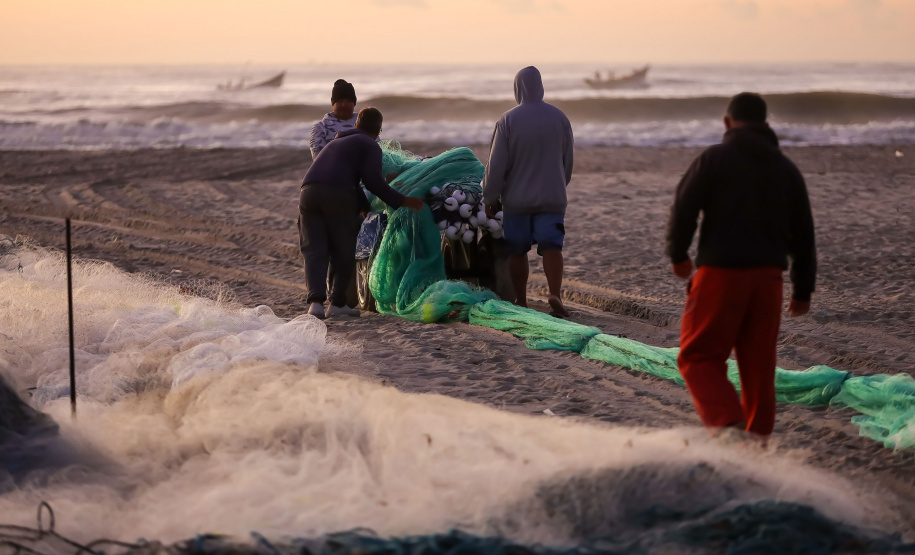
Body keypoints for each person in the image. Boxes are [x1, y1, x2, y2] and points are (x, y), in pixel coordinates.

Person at [665, 92, 817, 440]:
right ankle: (755, 447)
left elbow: (683, 208)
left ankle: (730, 427)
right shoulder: (786, 168)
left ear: (727, 123)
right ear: (766, 124)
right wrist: (803, 288)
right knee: (758, 370)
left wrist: (678, 255)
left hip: (721, 274)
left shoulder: (713, 159)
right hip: (768, 281)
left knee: (698, 357)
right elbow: (804, 234)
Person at [299, 107, 423, 319]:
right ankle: (337, 303)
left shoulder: (336, 143)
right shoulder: (370, 145)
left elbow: (352, 180)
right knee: (344, 247)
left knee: (314, 248)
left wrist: (363, 205)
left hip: (308, 192)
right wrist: (402, 200)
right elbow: (372, 182)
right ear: (379, 130)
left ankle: (316, 303)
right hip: (336, 194)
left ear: (356, 125)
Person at [482, 66, 574, 317]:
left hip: (517, 201)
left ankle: (521, 300)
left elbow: (496, 165)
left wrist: (489, 197)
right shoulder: (560, 118)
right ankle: (554, 293)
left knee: (518, 250)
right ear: (541, 86)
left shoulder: (508, 120)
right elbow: (568, 163)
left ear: (517, 89)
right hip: (552, 197)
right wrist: (557, 186)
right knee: (553, 246)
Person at [310, 79, 358, 160]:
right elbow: (318, 159)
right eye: (340, 101)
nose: (343, 105)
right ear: (333, 103)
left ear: (354, 103)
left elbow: (378, 151)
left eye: (347, 101)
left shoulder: (365, 124)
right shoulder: (320, 127)